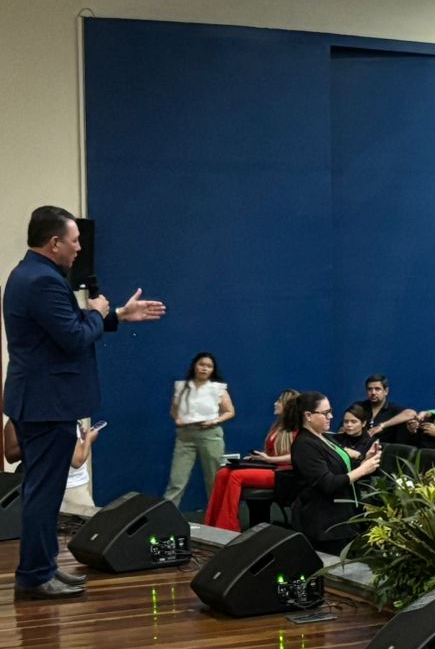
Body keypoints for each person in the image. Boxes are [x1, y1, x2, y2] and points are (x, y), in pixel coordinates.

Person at [3, 206, 166, 599]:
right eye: (74, 240)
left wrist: (118, 316)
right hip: (47, 403)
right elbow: (74, 336)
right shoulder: (42, 281)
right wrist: (97, 312)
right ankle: (36, 576)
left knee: (43, 490)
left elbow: (66, 324)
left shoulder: (31, 275)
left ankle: (41, 570)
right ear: (54, 241)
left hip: (40, 400)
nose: (79, 248)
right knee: (43, 492)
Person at [288, 391, 383, 552]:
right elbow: (328, 483)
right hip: (324, 524)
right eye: (325, 413)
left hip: (342, 519)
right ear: (308, 416)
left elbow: (342, 470)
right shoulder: (304, 444)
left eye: (330, 412)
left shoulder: (326, 438)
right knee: (324, 574)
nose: (331, 416)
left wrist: (365, 461)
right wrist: (362, 470)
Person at [203, 388, 298, 531]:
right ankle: (211, 524)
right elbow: (271, 453)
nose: (275, 403)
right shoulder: (277, 426)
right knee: (223, 473)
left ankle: (228, 527)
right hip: (271, 467)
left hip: (283, 474)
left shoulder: (297, 429)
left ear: (288, 406)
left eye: (279, 401)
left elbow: (296, 456)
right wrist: (259, 457)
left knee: (236, 476)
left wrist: (270, 459)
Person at [161, 351, 235, 507]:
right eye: (202, 364)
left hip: (210, 434)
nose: (204, 369)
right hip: (185, 435)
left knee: (214, 479)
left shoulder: (217, 388)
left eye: (209, 366)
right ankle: (165, 517)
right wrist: (177, 418)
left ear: (213, 370)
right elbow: (174, 411)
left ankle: (217, 519)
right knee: (177, 479)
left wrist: (215, 421)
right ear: (195, 365)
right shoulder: (182, 386)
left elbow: (230, 411)